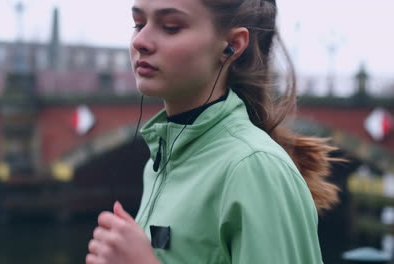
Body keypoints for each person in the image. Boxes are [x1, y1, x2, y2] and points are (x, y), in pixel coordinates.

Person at [86, 0, 340, 263]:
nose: (141, 41)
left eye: (171, 27)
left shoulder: (254, 167)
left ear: (233, 45)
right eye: (138, 24)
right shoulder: (159, 160)